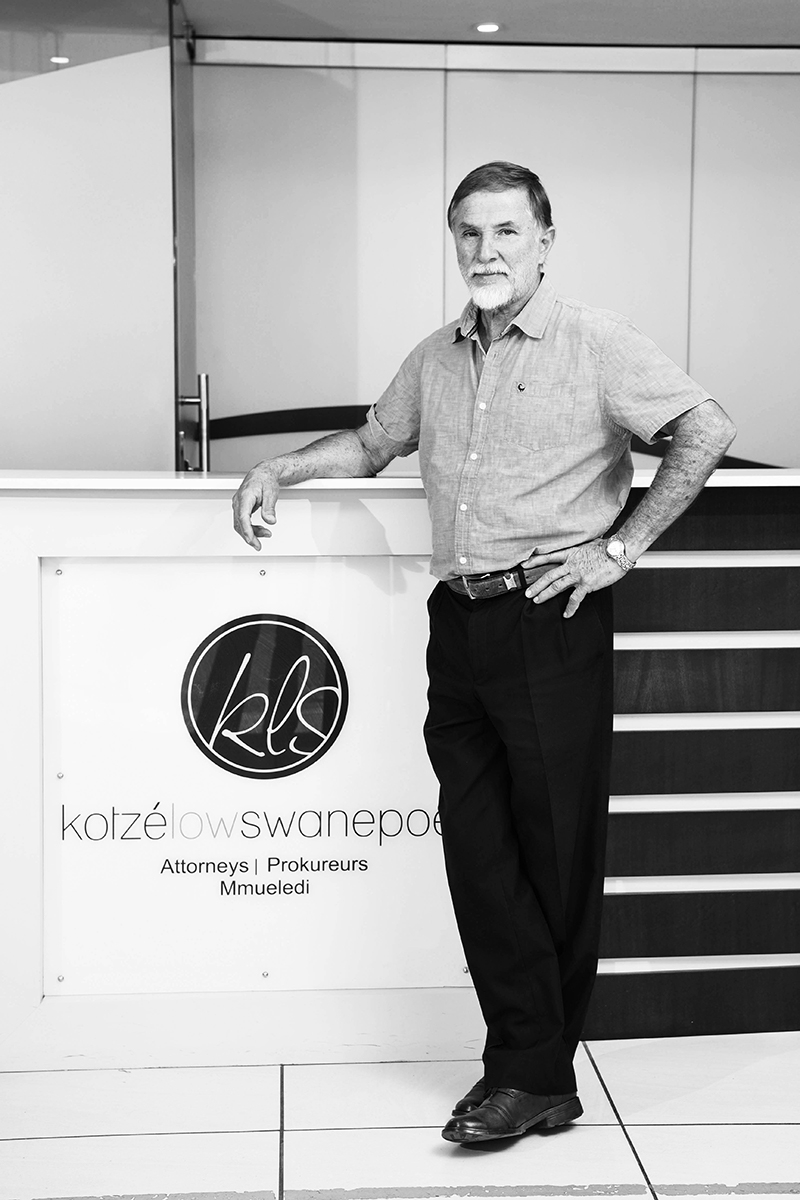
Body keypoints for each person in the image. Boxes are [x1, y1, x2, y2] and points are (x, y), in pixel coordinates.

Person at [232, 161, 736, 1145]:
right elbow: (373, 442)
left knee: (553, 855)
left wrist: (618, 548)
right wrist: (280, 466)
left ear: (543, 241)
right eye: (469, 231)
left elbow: (704, 429)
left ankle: (529, 1073)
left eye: (506, 231)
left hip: (548, 616)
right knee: (477, 851)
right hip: (458, 623)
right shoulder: (437, 355)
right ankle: (530, 1067)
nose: (485, 249)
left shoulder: (594, 342)